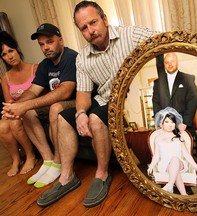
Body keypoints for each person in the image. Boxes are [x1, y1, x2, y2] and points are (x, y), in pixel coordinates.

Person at [36, 0, 159, 208]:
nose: (90, 31)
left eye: (93, 23)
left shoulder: (132, 35)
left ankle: (101, 174)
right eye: (84, 28)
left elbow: (167, 43)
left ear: (104, 19)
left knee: (95, 118)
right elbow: (83, 93)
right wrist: (80, 112)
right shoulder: (83, 58)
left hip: (129, 100)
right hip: (104, 99)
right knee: (64, 118)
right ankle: (66, 177)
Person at [2, 23, 77, 188]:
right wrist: (16, 106)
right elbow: (33, 91)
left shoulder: (70, 57)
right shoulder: (45, 65)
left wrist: (25, 104)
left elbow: (65, 91)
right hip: (59, 102)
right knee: (27, 111)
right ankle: (48, 160)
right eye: (42, 44)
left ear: (60, 40)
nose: (46, 47)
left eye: (49, 42)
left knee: (55, 107)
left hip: (76, 102)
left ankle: (58, 163)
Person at [0, 31, 38, 176]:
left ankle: (31, 156)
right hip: (15, 110)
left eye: (11, 50)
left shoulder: (35, 68)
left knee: (15, 123)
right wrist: (9, 110)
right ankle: (16, 159)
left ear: (17, 49)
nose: (9, 56)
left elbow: (40, 95)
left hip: (30, 109)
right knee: (2, 126)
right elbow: (8, 100)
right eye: (4, 54)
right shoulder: (5, 77)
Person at [147, 107, 197, 195]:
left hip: (180, 163)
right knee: (174, 171)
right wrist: (151, 166)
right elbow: (156, 155)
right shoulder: (158, 138)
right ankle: (184, 195)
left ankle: (169, 185)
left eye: (172, 122)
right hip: (165, 165)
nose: (170, 124)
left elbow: (187, 155)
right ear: (161, 124)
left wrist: (196, 167)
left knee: (174, 159)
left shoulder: (179, 138)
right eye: (167, 122)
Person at [152, 53, 197, 137]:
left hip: (184, 127)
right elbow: (156, 103)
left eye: (172, 61)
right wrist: (160, 122)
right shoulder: (158, 82)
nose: (170, 64)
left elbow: (192, 101)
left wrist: (185, 122)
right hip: (164, 129)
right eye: (166, 62)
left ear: (177, 62)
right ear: (164, 64)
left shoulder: (188, 79)